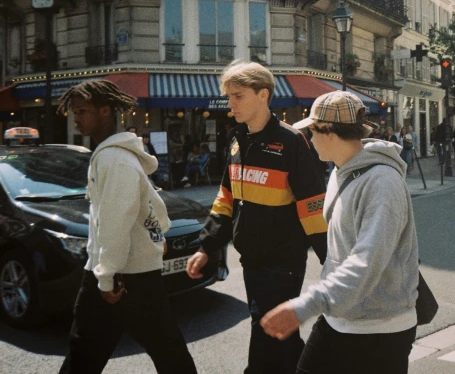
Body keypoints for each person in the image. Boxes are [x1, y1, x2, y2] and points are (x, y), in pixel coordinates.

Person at [261, 91, 418, 374]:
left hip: (380, 328)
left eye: (312, 131)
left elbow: (366, 262)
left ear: (329, 132)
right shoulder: (339, 171)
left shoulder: (383, 184)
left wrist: (304, 305)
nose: (309, 140)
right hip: (338, 317)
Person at [186, 60, 327, 374]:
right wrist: (206, 246)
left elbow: (312, 205)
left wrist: (331, 260)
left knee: (267, 332)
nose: (230, 104)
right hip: (252, 260)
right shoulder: (237, 141)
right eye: (229, 97)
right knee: (279, 334)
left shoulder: (291, 142)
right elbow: (227, 198)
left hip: (283, 263)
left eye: (238, 96)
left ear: (263, 95)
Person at [57, 80, 196, 374]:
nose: (76, 118)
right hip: (134, 274)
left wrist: (106, 278)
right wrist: (158, 235)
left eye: (82, 111)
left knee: (85, 354)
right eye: (74, 113)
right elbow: (151, 202)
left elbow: (115, 224)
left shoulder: (113, 159)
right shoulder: (117, 156)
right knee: (168, 352)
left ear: (105, 111)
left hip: (120, 278)